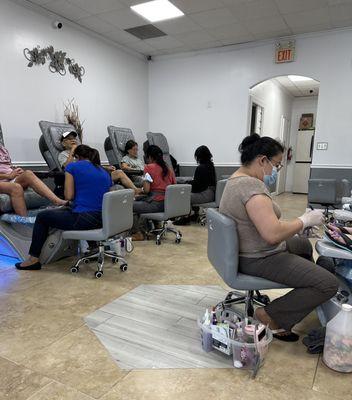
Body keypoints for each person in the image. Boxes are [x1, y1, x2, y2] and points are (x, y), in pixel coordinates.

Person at [219, 134, 338, 341]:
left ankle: (302, 295)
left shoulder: (236, 179)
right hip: (259, 257)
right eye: (277, 164)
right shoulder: (251, 187)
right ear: (262, 160)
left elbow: (261, 223)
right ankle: (270, 315)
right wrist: (303, 221)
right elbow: (272, 234)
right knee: (328, 284)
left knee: (302, 244)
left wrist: (295, 228)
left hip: (252, 249)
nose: (276, 170)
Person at [15, 145, 113, 270]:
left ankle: (33, 259)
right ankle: (94, 247)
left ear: (76, 157)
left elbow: (68, 196)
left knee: (42, 216)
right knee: (68, 209)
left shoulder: (72, 166)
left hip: (85, 219)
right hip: (103, 218)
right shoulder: (104, 171)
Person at [58, 131, 141, 194]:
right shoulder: (63, 155)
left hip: (93, 174)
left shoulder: (82, 152)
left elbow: (92, 165)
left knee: (119, 172)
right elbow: (66, 168)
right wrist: (73, 149)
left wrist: (105, 168)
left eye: (74, 138)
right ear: (63, 143)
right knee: (116, 187)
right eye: (69, 139)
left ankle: (136, 191)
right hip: (83, 178)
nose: (73, 140)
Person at [0, 143, 67, 217]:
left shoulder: (3, 149)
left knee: (28, 173)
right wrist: (8, 175)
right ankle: (24, 220)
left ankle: (56, 201)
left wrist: (15, 170)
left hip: (9, 178)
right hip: (3, 180)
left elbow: (6, 166)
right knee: (16, 187)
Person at [132, 145, 176, 240]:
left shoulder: (148, 167)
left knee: (130, 205)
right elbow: (173, 186)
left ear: (150, 157)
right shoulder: (168, 169)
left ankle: (138, 233)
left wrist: (139, 190)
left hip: (157, 204)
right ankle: (157, 228)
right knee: (144, 201)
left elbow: (147, 190)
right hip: (169, 204)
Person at [175, 145, 216, 225]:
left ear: (199, 156)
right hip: (211, 193)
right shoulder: (210, 165)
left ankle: (185, 217)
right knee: (191, 193)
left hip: (206, 194)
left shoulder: (201, 168)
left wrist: (186, 184)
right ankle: (194, 214)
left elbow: (197, 186)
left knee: (184, 195)